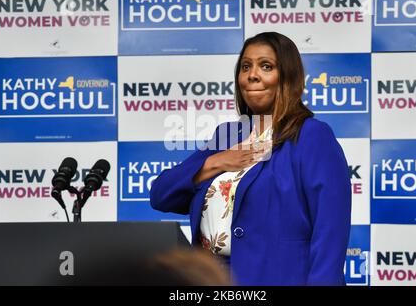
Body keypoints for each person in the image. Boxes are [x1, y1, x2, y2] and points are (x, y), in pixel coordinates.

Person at [150, 32, 351, 286]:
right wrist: (218, 161)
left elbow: (330, 231)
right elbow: (160, 195)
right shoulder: (227, 136)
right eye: (246, 67)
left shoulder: (311, 136)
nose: (252, 75)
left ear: (288, 77)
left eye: (266, 66)